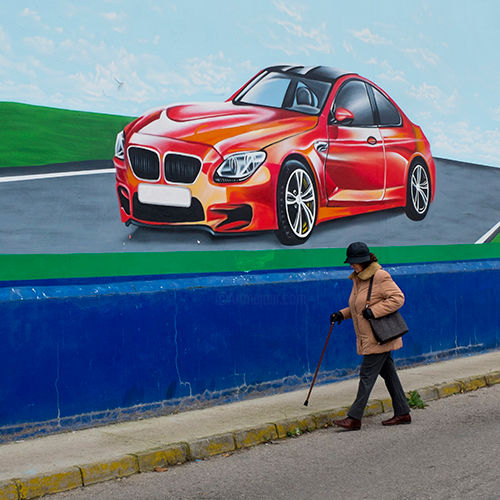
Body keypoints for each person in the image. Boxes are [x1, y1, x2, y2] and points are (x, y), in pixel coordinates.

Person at [330, 241, 411, 431]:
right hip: (369, 336)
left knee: (366, 375)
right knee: (390, 375)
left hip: (378, 337)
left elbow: (398, 298)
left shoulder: (380, 276)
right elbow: (358, 307)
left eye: (354, 262)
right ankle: (403, 413)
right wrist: (342, 314)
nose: (351, 265)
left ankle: (354, 418)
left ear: (364, 261)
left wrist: (375, 311)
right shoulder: (359, 279)